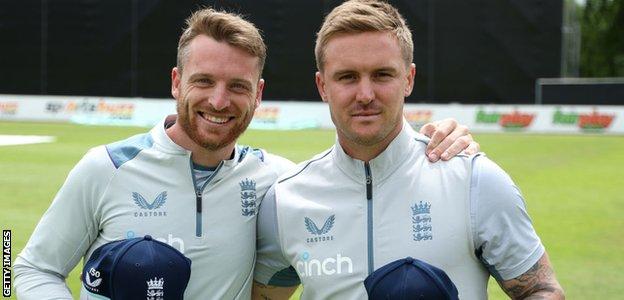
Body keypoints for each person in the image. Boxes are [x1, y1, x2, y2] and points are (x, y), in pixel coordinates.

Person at [13, 6, 478, 300]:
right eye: (203, 82)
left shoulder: (278, 182)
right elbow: (24, 268)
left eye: (237, 86)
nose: (219, 101)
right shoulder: (106, 167)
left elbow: (360, 186)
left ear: (258, 94)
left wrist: (439, 140)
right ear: (177, 82)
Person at [253, 1, 565, 299]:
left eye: (382, 75)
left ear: (409, 79)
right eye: (347, 77)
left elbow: (541, 290)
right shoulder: (285, 200)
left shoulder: (474, 181)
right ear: (323, 86)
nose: (365, 94)